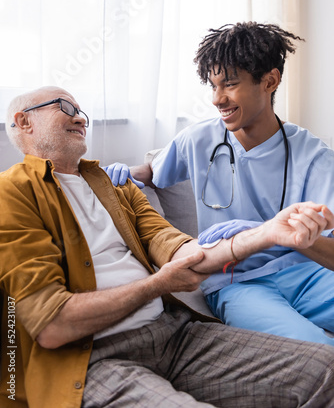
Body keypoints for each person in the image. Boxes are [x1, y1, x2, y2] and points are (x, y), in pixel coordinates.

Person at [1, 87, 334, 408]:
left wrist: (268, 233)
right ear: (24, 121)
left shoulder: (115, 189)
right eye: (66, 107)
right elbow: (52, 326)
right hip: (94, 357)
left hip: (176, 336)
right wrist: (157, 284)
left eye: (82, 112)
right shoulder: (12, 193)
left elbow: (184, 252)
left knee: (327, 369)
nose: (80, 119)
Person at [106, 22, 334, 345]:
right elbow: (154, 171)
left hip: (304, 273)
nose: (217, 99)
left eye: (229, 84)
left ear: (270, 81)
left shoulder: (313, 156)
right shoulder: (199, 140)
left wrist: (294, 238)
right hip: (234, 281)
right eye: (213, 86)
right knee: (318, 351)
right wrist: (127, 172)